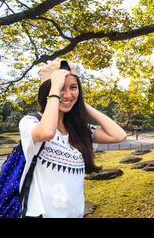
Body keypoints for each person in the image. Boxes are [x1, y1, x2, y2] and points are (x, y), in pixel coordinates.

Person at [18, 58, 127, 217]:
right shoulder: (31, 122)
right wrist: (55, 85)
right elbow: (48, 132)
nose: (67, 94)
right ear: (48, 90)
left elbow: (119, 135)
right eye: (61, 87)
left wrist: (80, 103)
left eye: (73, 87)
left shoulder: (79, 129)